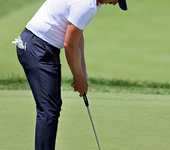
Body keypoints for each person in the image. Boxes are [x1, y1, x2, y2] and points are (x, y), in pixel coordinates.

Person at [12, 0, 127, 149]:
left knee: (51, 107)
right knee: (48, 109)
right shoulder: (87, 5)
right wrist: (78, 78)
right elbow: (70, 45)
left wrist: (83, 73)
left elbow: (77, 37)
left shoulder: (94, 3)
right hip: (37, 47)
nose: (114, 3)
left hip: (43, 47)